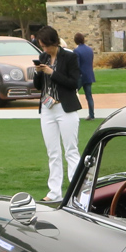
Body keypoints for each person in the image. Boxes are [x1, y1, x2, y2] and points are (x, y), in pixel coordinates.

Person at [32, 26, 82, 203]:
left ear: (54, 42)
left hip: (65, 108)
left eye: (46, 46)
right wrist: (38, 73)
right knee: (53, 152)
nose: (44, 49)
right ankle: (54, 193)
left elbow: (74, 83)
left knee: (71, 150)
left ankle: (76, 192)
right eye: (42, 46)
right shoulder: (43, 57)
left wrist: (52, 73)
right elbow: (38, 86)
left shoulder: (70, 57)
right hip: (47, 109)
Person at [73, 32, 96, 119]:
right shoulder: (90, 49)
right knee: (89, 96)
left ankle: (72, 112)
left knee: (73, 93)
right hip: (89, 75)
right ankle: (92, 115)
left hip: (80, 76)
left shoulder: (76, 51)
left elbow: (77, 65)